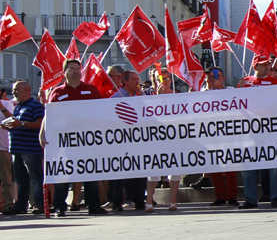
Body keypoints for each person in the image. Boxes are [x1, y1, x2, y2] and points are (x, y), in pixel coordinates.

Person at [41, 58, 106, 216]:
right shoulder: (57, 92)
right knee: (64, 175)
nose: (76, 72)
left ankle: (94, 206)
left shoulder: (91, 90)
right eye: (72, 69)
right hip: (65, 143)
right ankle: (59, 207)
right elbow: (48, 115)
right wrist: (42, 133)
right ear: (64, 73)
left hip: (88, 141)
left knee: (90, 173)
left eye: (78, 69)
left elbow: (103, 111)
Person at [237, 56, 277, 208]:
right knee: (249, 165)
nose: (268, 67)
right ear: (256, 66)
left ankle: (275, 196)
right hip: (250, 130)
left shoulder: (275, 82)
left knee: (274, 164)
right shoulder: (245, 82)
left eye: (268, 64)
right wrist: (238, 89)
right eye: (264, 65)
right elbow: (236, 103)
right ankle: (250, 199)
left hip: (270, 129)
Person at [1, 81, 44, 215]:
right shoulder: (19, 106)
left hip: (30, 149)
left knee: (35, 177)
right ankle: (21, 205)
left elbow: (40, 124)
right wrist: (7, 124)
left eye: (16, 90)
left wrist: (22, 123)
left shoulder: (35, 106)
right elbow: (16, 121)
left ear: (26, 90)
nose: (13, 93)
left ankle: (39, 204)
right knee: (21, 179)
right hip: (17, 149)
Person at [109, 71, 147, 211]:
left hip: (137, 141)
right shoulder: (116, 98)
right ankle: (117, 202)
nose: (137, 82)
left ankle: (139, 200)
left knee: (140, 171)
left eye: (138, 79)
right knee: (120, 173)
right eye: (134, 79)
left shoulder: (140, 96)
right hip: (121, 141)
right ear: (124, 82)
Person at [201, 68, 239, 206]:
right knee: (215, 167)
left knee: (230, 167)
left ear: (222, 77)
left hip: (229, 135)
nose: (214, 79)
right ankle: (220, 196)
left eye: (217, 76)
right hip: (212, 136)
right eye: (211, 77)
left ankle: (232, 196)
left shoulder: (230, 90)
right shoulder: (204, 93)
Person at [146, 70, 181, 210]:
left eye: (166, 78)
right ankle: (149, 201)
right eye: (160, 78)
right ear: (154, 80)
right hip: (155, 139)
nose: (164, 80)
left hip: (173, 139)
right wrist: (158, 99)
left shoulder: (177, 95)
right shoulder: (148, 96)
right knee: (153, 171)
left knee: (175, 170)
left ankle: (173, 201)